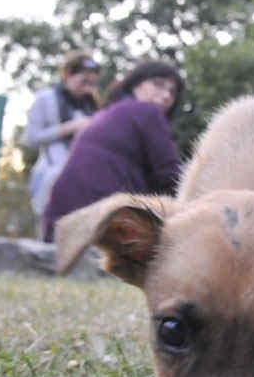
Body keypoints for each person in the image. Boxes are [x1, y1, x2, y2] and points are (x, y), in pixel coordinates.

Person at [41, 60, 184, 242]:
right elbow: (168, 174)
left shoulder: (104, 115)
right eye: (158, 85)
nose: (166, 96)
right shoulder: (147, 112)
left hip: (59, 224)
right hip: (102, 224)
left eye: (172, 92)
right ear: (136, 84)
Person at [24, 51, 101, 238]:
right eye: (83, 82)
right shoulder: (46, 99)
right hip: (51, 169)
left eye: (92, 83)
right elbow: (30, 138)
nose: (87, 88)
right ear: (67, 74)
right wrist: (68, 128)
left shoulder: (92, 105)